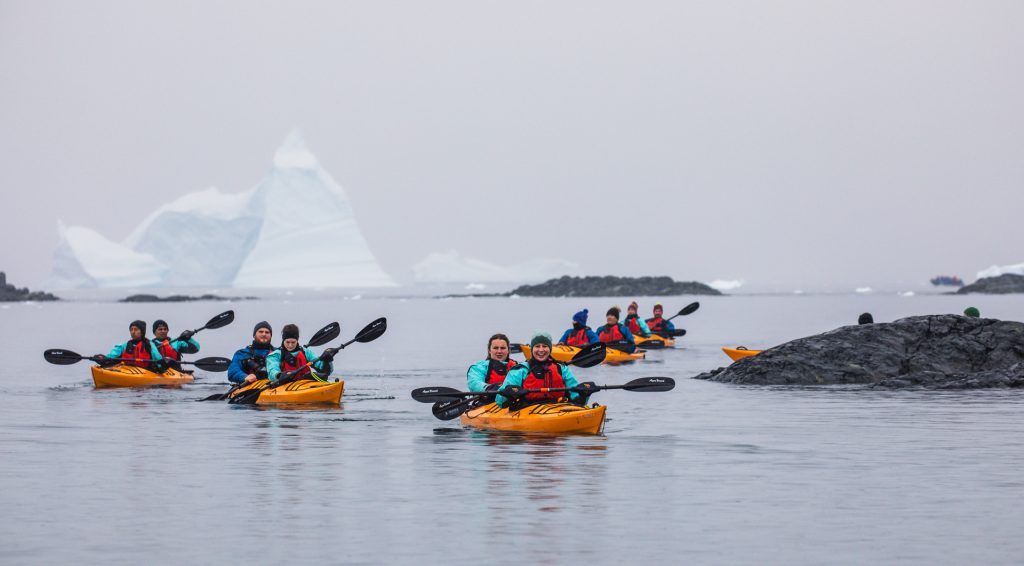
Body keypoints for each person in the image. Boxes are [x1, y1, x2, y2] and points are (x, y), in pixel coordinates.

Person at [494, 332, 587, 408]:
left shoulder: (562, 369)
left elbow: (577, 399)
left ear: (550, 349)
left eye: (545, 346)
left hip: (559, 407)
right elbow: (500, 402)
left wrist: (585, 393)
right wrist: (509, 394)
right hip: (527, 409)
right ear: (532, 349)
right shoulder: (521, 370)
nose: (541, 350)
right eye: (537, 346)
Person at [265, 324, 335, 385]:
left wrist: (327, 360)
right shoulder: (275, 355)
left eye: (293, 342)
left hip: (305, 383)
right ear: (283, 340)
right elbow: (272, 371)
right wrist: (279, 375)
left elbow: (324, 369)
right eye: (287, 342)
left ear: (297, 340)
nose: (290, 345)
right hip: (284, 384)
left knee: (313, 375)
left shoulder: (306, 352)